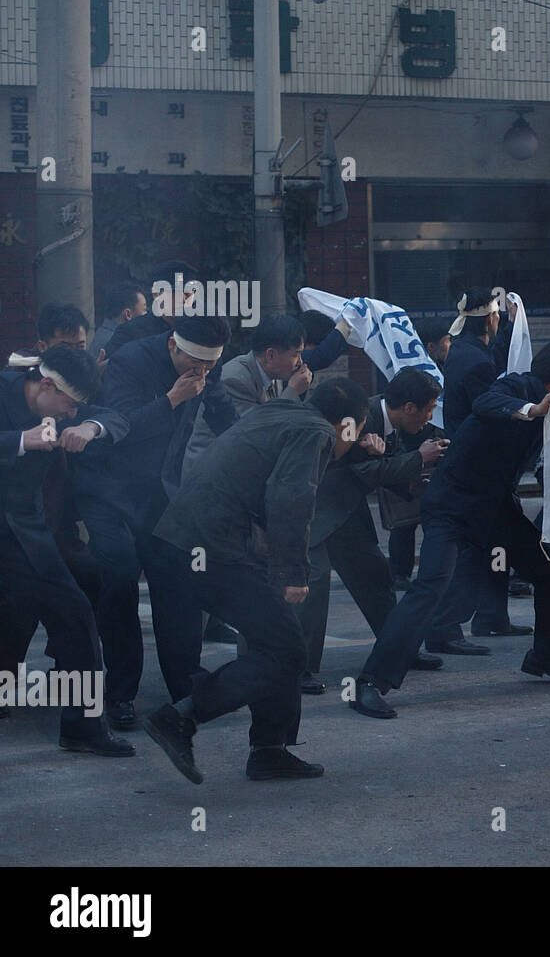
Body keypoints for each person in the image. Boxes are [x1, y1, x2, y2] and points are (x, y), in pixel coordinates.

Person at [349, 343, 550, 719]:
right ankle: (372, 682)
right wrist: (534, 409)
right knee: (430, 588)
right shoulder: (516, 388)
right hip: (452, 505)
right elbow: (486, 403)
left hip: (496, 506)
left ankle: (547, 657)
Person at [143, 378, 371, 783]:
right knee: (285, 651)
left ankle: (270, 750)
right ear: (348, 425)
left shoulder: (279, 412)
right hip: (211, 546)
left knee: (279, 643)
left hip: (180, 539)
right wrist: (292, 571)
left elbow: (262, 485)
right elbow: (290, 498)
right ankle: (181, 717)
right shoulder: (315, 432)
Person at [74, 313, 239, 730]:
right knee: (119, 577)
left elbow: (226, 419)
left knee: (179, 583)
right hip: (107, 488)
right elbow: (119, 428)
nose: (201, 373)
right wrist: (172, 399)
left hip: (158, 491)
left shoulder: (205, 367)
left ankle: (186, 686)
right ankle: (121, 693)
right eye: (194, 364)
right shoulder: (131, 361)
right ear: (172, 345)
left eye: (209, 366)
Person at [0, 346, 133, 755]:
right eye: (69, 406)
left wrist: (90, 426)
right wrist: (20, 440)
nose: (70, 414)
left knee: (74, 614)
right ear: (45, 385)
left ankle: (83, 727)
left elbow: (116, 415)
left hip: (23, 532)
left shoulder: (68, 409)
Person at [297, 368, 448, 693]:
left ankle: (398, 649)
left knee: (375, 576)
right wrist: (417, 460)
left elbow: (377, 467)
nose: (430, 416)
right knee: (314, 586)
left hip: (346, 511)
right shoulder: (357, 414)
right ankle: (299, 669)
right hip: (317, 509)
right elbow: (356, 469)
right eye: (429, 408)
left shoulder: (390, 420)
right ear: (409, 407)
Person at [428, 288, 528, 652]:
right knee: (474, 549)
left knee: (496, 544)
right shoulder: (476, 362)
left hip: (479, 469)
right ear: (490, 318)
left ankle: (491, 616)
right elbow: (492, 405)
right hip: (478, 470)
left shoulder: (465, 352)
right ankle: (446, 627)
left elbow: (493, 361)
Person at [183, 314, 312, 477]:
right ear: (271, 355)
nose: (300, 362)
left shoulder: (274, 375)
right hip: (209, 477)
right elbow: (258, 433)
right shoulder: (235, 379)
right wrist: (293, 391)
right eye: (296, 354)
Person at [389, 316, 454, 588]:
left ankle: (430, 570)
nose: (450, 345)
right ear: (430, 346)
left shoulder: (445, 371)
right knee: (404, 521)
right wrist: (410, 460)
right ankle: (399, 573)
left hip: (435, 450)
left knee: (433, 517)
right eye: (446, 341)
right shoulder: (410, 378)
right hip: (413, 451)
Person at [102, 260, 198, 359]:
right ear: (156, 294)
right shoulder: (130, 332)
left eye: (187, 294)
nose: (182, 300)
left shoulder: (199, 330)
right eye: (175, 294)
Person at [91, 281, 148, 358]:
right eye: (144, 310)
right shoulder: (117, 343)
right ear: (128, 314)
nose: (147, 315)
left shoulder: (102, 333)